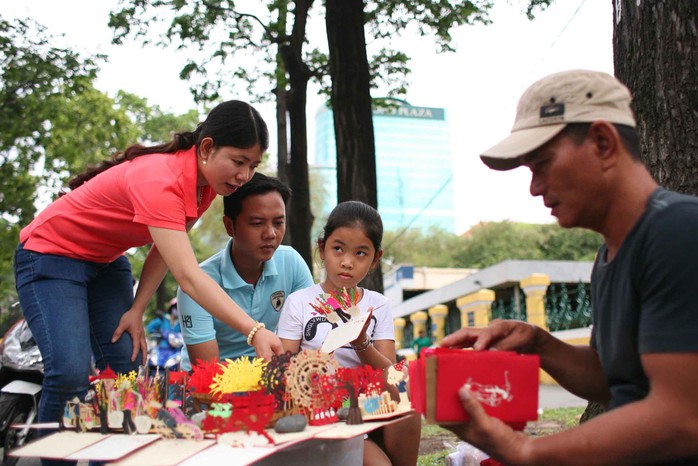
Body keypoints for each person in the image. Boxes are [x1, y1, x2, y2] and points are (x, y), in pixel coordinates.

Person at [440, 70, 698, 465]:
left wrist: (526, 451)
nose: (534, 187)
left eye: (541, 163)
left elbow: (682, 418)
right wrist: (539, 344)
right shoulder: (610, 256)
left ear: (602, 142)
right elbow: (610, 380)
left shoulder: (676, 232)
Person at [13, 100, 285, 456]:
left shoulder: (206, 188)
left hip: (107, 265)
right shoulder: (161, 179)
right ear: (207, 148)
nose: (244, 176)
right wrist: (255, 329)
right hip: (50, 258)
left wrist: (137, 308)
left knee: (126, 371)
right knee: (69, 374)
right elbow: (188, 276)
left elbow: (163, 251)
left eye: (253, 166)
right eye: (238, 162)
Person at [278, 201, 421, 466]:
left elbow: (391, 375)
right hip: (322, 409)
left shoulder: (377, 304)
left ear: (375, 259)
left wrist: (361, 344)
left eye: (360, 253)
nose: (346, 262)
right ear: (322, 248)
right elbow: (283, 370)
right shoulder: (300, 302)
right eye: (338, 249)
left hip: (369, 406)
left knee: (407, 392)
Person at [177, 172, 314, 370]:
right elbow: (207, 374)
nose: (270, 234)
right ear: (229, 226)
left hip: (273, 381)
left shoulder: (291, 262)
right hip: (213, 389)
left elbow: (310, 333)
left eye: (278, 223)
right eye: (257, 223)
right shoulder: (197, 284)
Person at [146, 298, 182, 368]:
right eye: (175, 307)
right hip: (161, 348)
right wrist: (160, 332)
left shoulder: (181, 323)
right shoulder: (163, 319)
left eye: (179, 308)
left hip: (176, 350)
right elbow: (150, 327)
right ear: (171, 309)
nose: (177, 310)